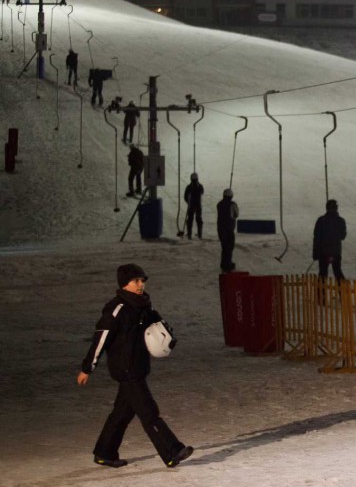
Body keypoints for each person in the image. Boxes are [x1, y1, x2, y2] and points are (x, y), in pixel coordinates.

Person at [77, 263, 193, 468]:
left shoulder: (143, 306)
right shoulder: (117, 308)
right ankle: (172, 451)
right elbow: (101, 339)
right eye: (136, 281)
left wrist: (167, 338)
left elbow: (159, 325)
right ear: (124, 284)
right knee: (149, 412)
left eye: (143, 281)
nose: (141, 285)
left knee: (122, 413)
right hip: (126, 369)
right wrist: (88, 368)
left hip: (138, 367)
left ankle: (105, 452)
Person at [312, 199, 347, 281]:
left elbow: (317, 237)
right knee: (337, 271)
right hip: (335, 251)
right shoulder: (341, 221)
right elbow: (343, 236)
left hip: (323, 252)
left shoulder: (321, 220)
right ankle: (343, 291)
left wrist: (315, 252)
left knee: (323, 273)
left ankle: (321, 293)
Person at [217, 188, 239, 272]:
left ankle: (224, 263)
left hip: (220, 228)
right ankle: (227, 264)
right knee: (229, 247)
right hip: (229, 229)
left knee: (224, 246)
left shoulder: (219, 204)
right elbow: (236, 214)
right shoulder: (232, 204)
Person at [184, 172, 204, 240]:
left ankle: (189, 234)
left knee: (190, 220)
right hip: (198, 206)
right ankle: (200, 234)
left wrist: (188, 202)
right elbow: (202, 192)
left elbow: (185, 197)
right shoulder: (200, 186)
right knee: (199, 220)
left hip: (191, 206)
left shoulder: (189, 187)